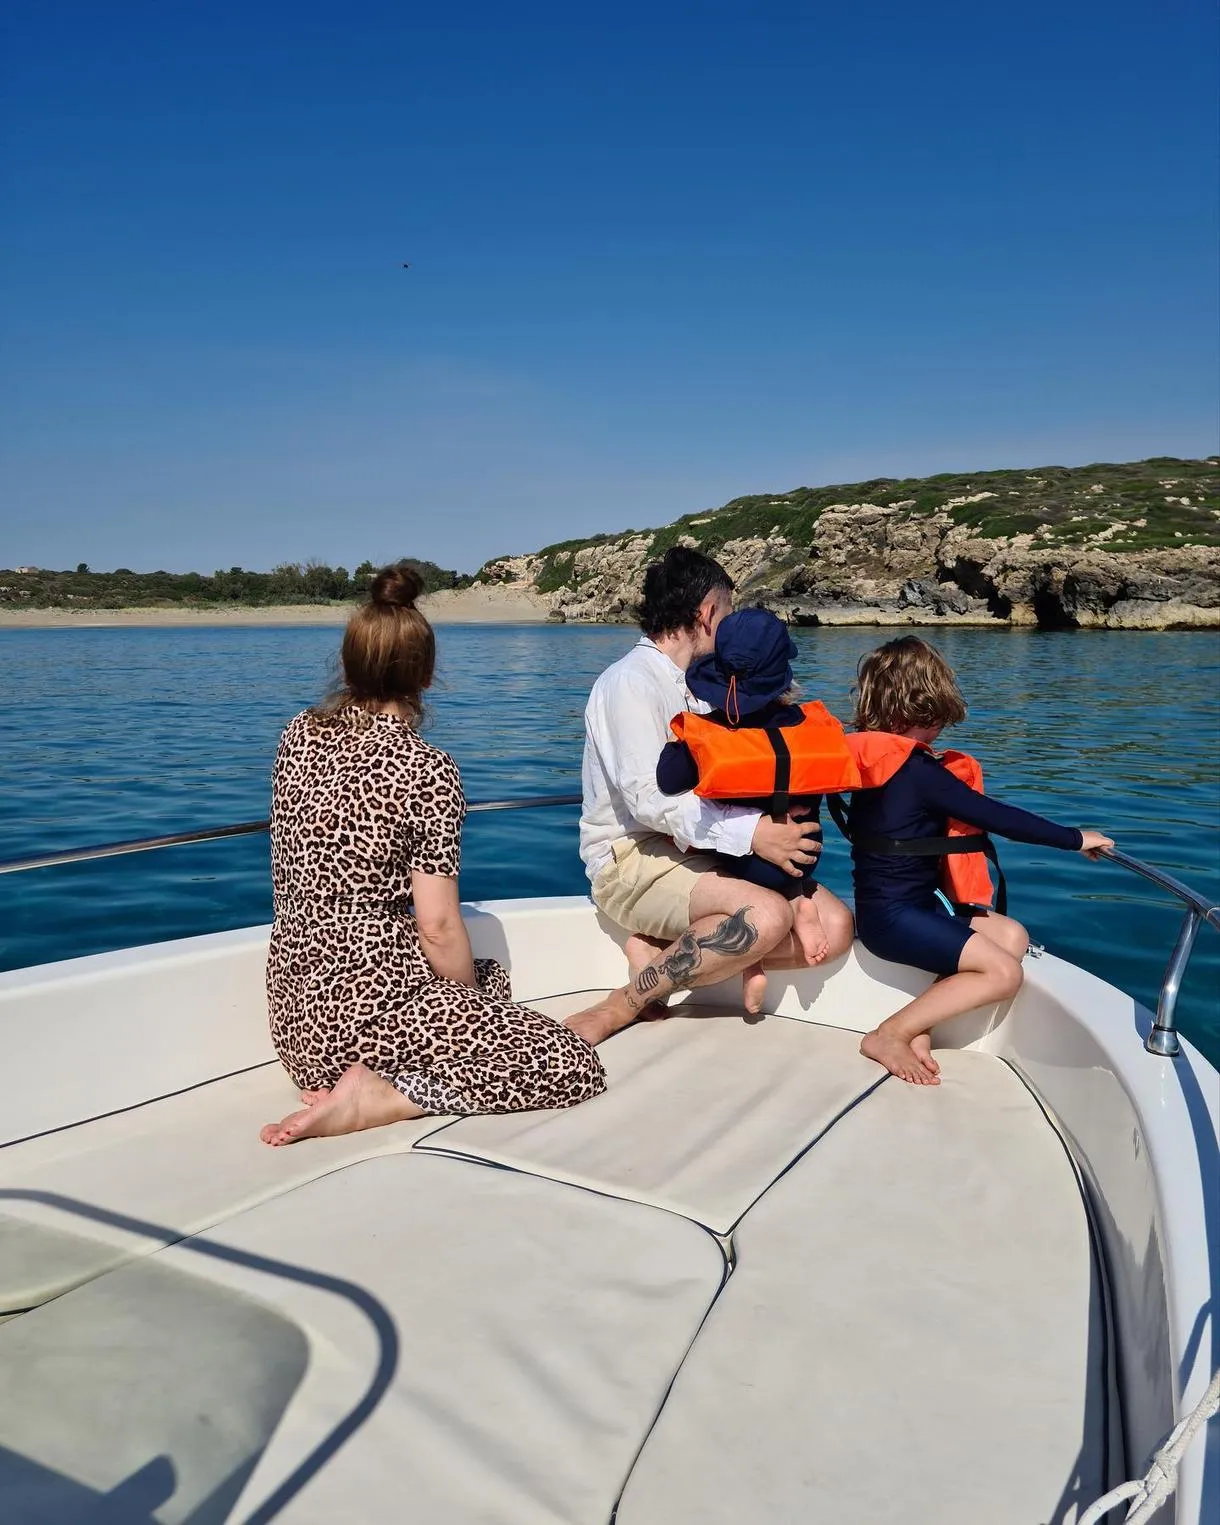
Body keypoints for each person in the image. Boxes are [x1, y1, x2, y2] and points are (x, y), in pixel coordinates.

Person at [260, 562, 606, 1146]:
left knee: (489, 982)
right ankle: (386, 1096)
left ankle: (368, 1074)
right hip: (365, 1010)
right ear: (424, 676)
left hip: (297, 1018)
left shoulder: (299, 733)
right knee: (572, 1064)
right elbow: (440, 926)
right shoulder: (425, 769)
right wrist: (464, 1012)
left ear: (349, 665)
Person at [566, 547, 854, 1047]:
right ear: (706, 611)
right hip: (630, 859)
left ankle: (659, 948)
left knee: (835, 926)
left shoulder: (710, 687)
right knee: (768, 916)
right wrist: (756, 834)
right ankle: (625, 1003)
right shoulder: (629, 683)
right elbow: (651, 802)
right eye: (728, 608)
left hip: (703, 851)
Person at [840, 635, 1113, 1086]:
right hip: (893, 922)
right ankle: (889, 1034)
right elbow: (997, 817)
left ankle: (919, 1025)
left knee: (1011, 935)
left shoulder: (876, 764)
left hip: (909, 909)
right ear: (930, 704)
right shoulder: (917, 772)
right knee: (1005, 974)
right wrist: (1075, 839)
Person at [656, 606, 860, 967]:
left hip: (746, 866)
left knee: (693, 836)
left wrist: (680, 743)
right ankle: (794, 903)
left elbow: (667, 782)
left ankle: (792, 909)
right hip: (804, 858)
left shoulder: (712, 734)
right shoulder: (811, 726)